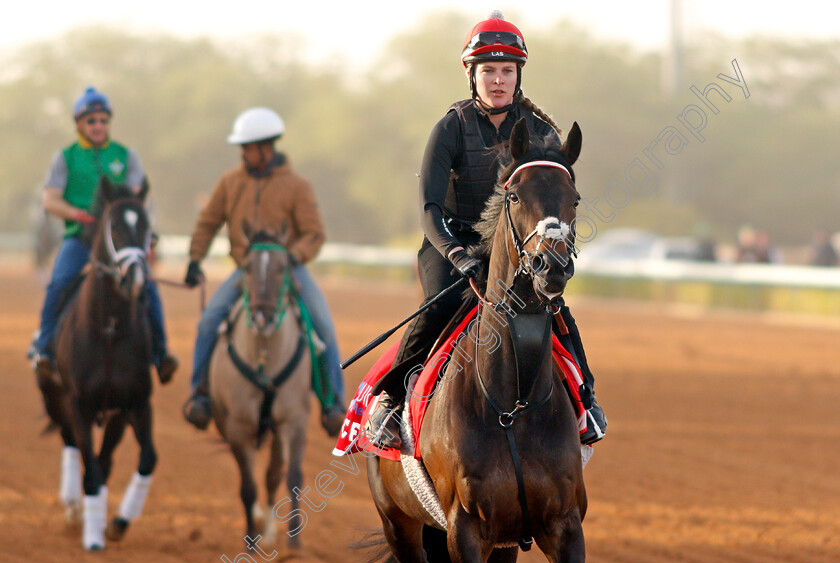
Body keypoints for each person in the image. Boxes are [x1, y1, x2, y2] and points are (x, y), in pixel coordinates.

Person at [365, 11, 607, 448]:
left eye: (507, 72)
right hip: (451, 247)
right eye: (489, 71)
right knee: (439, 309)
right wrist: (458, 257)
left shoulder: (542, 133)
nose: (498, 80)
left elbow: (555, 201)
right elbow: (428, 208)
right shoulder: (450, 128)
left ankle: (586, 400)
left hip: (517, 251)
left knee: (557, 311)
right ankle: (391, 400)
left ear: (518, 77)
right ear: (471, 75)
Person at [181, 107, 346, 435]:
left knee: (324, 327)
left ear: (267, 147)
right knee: (210, 319)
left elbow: (314, 234)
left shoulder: (297, 186)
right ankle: (200, 394)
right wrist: (194, 259)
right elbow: (208, 222)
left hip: (289, 270)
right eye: (242, 147)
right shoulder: (230, 183)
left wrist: (291, 257)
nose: (243, 153)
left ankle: (333, 404)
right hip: (246, 271)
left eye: (248, 147)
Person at [30, 87, 178, 385]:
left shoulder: (126, 156)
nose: (98, 126)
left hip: (120, 241)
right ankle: (44, 348)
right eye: (91, 120)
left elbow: (140, 197)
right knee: (59, 283)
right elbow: (50, 200)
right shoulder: (65, 158)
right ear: (79, 124)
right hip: (80, 238)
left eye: (103, 120)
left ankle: (161, 354)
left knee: (147, 287)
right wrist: (77, 214)